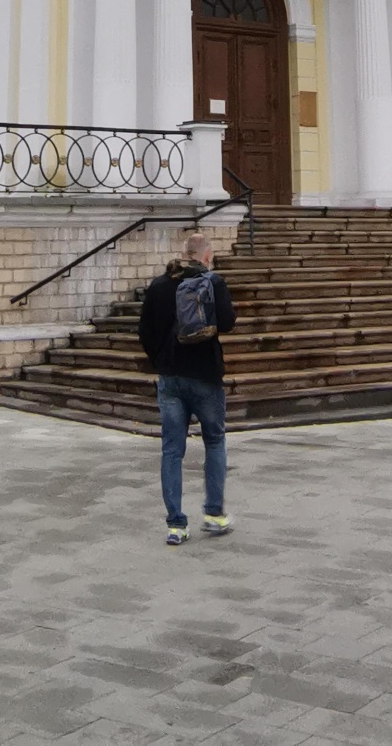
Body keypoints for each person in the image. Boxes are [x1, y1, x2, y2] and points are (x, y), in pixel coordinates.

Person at [138, 230, 237, 545]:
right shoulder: (214, 283)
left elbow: (145, 331)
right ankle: (214, 514)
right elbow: (228, 321)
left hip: (171, 379)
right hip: (206, 375)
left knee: (171, 450)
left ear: (184, 253)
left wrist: (162, 360)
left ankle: (176, 525)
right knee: (215, 441)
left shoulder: (159, 285)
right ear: (206, 255)